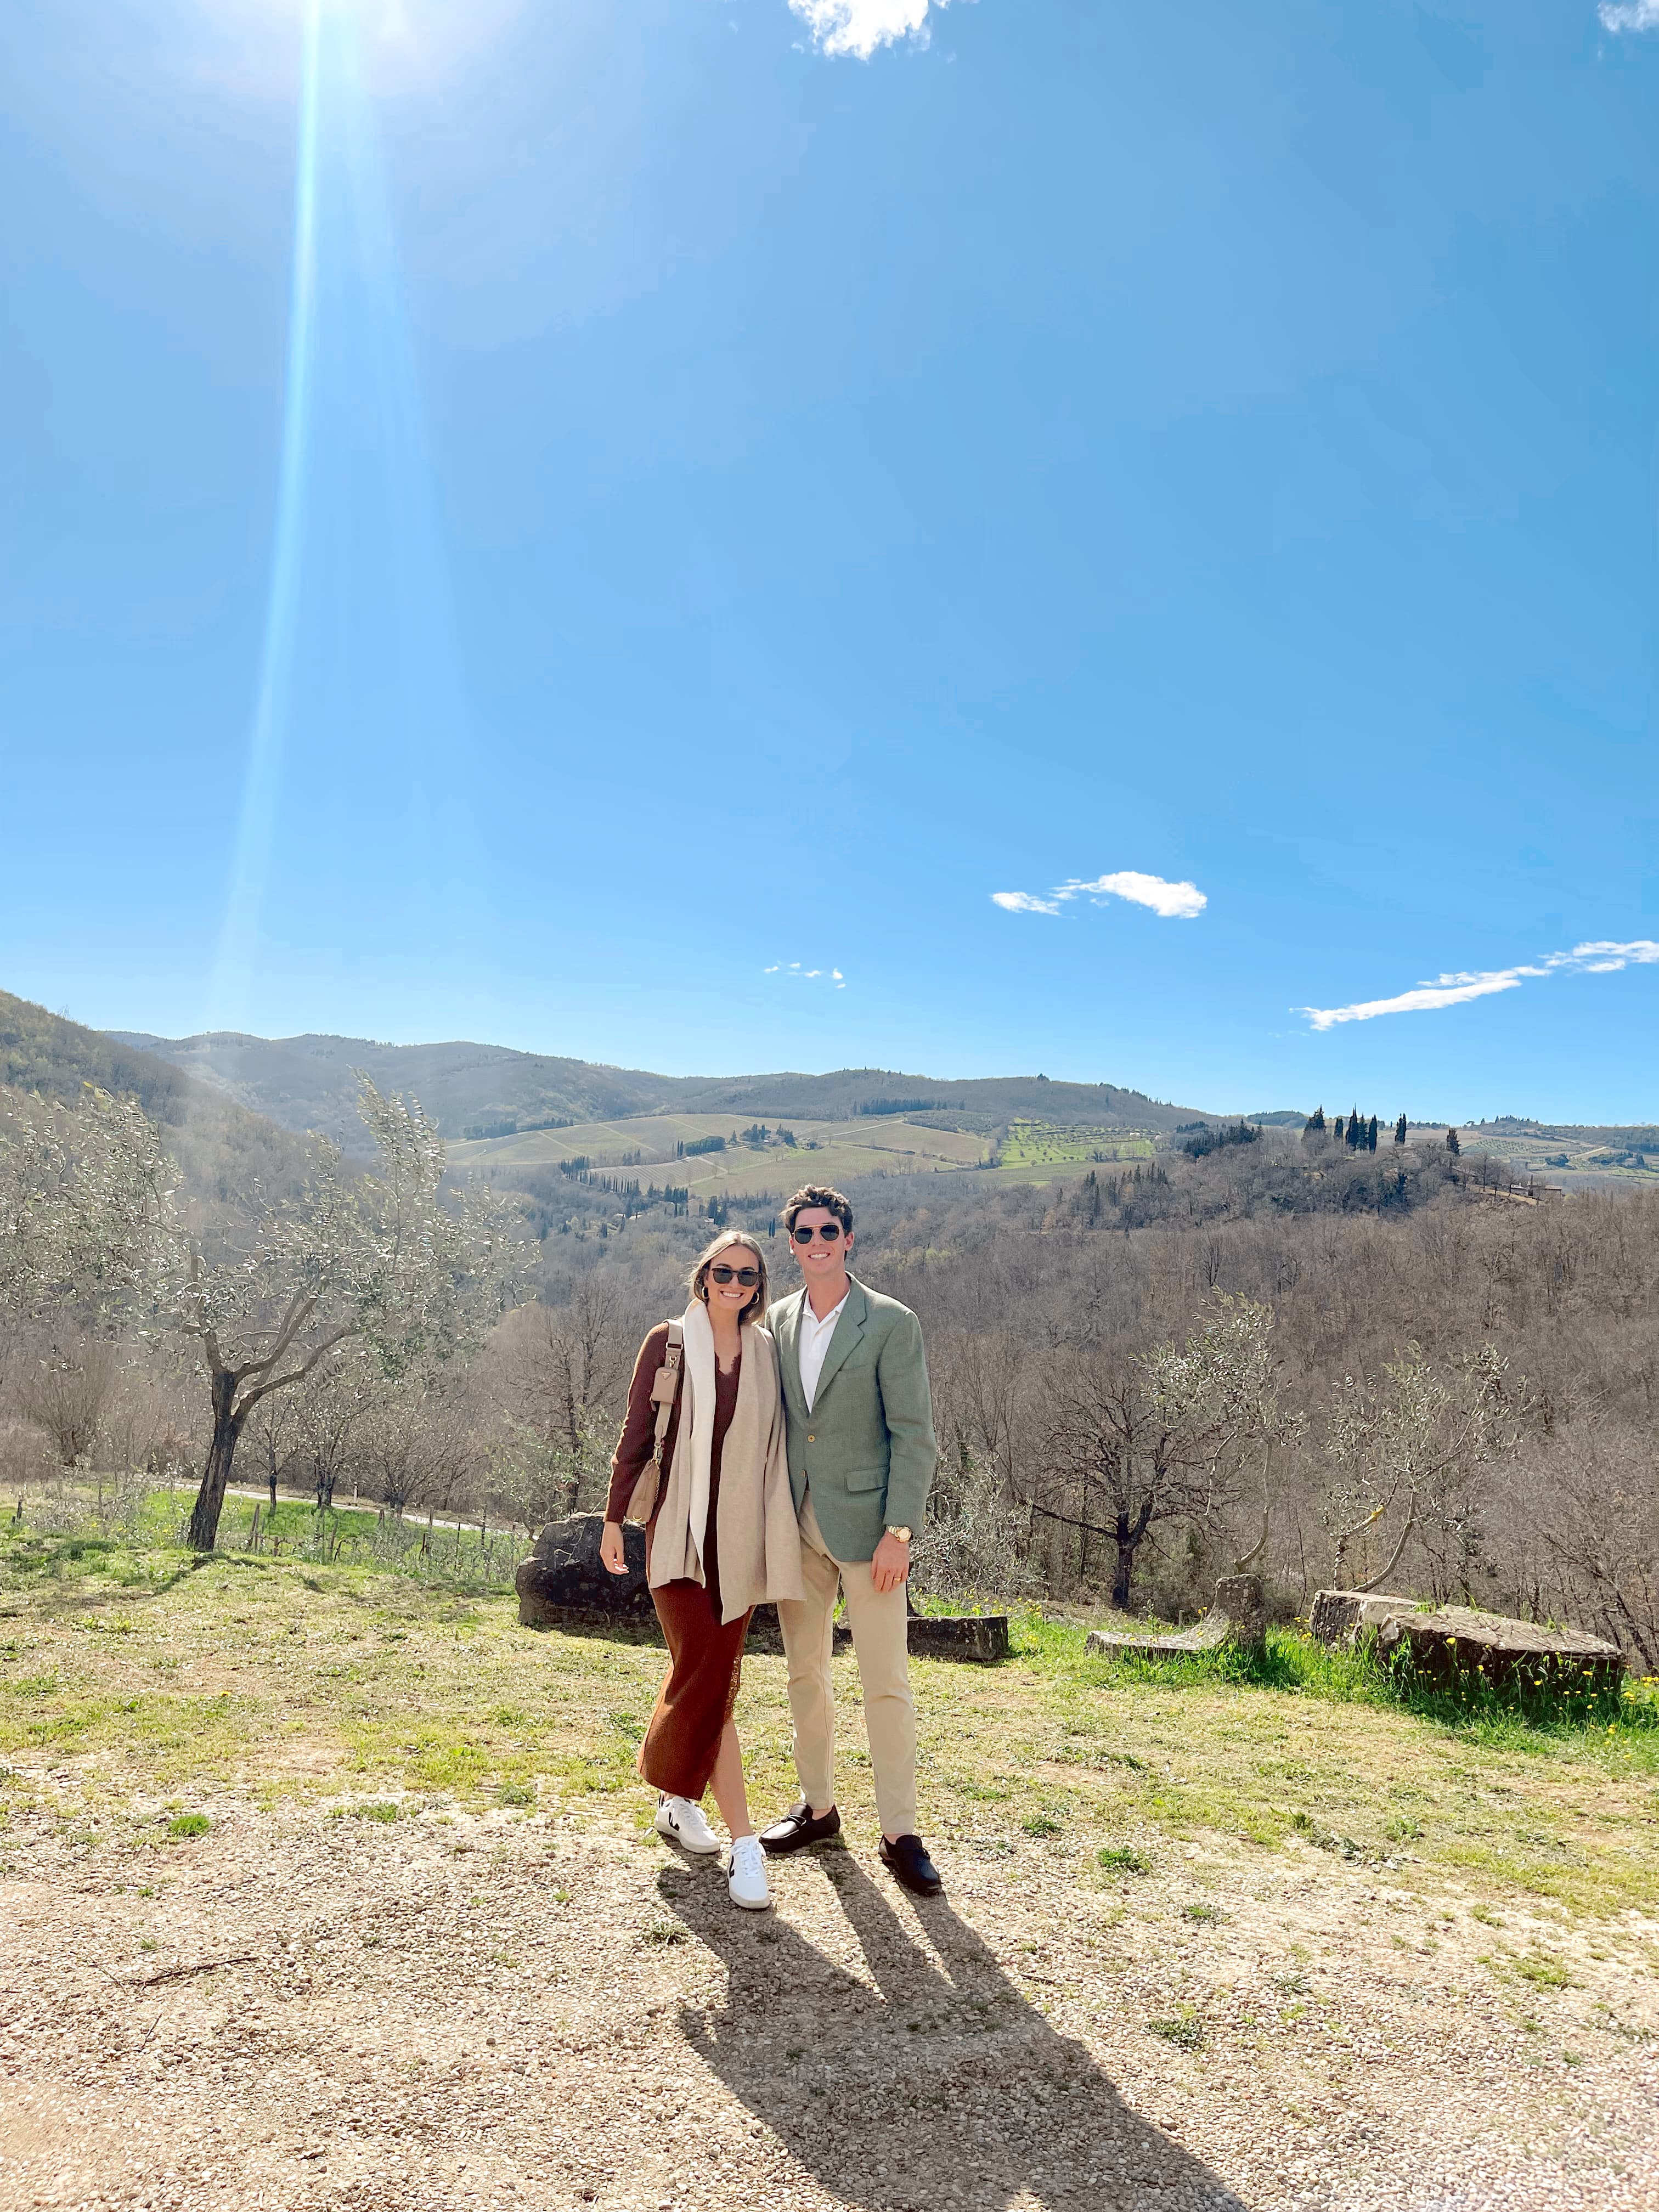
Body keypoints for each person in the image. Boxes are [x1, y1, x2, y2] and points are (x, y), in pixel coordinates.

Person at [601, 1230, 803, 1910]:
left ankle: (676, 1799)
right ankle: (745, 1845)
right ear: (704, 1275)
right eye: (723, 1271)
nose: (734, 1284)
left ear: (758, 1285)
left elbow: (781, 1446)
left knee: (705, 1673)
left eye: (748, 1275)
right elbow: (635, 1434)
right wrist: (611, 1521)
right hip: (675, 1538)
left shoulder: (768, 1352)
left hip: (739, 1540)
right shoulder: (669, 1341)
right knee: (709, 1673)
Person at [758, 1184, 943, 1898]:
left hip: (871, 1535)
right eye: (804, 1233)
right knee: (805, 1674)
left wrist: (900, 1531)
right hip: (795, 1527)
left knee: (886, 1685)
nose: (817, 1242)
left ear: (849, 1238)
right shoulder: (775, 1321)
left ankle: (900, 1833)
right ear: (794, 1243)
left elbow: (915, 1435)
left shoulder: (892, 1323)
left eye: (829, 1230)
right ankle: (819, 1807)